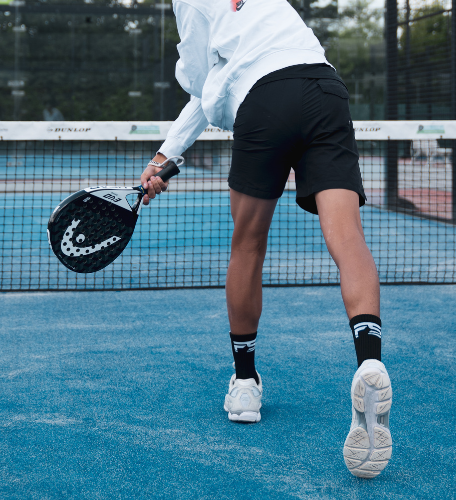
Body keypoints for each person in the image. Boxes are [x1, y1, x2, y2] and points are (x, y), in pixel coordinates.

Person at [140, 0, 393, 479]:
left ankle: (244, 383)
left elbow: (200, 87)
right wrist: (167, 155)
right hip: (324, 87)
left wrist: (162, 158)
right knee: (348, 238)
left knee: (248, 246)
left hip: (265, 100)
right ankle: (369, 362)